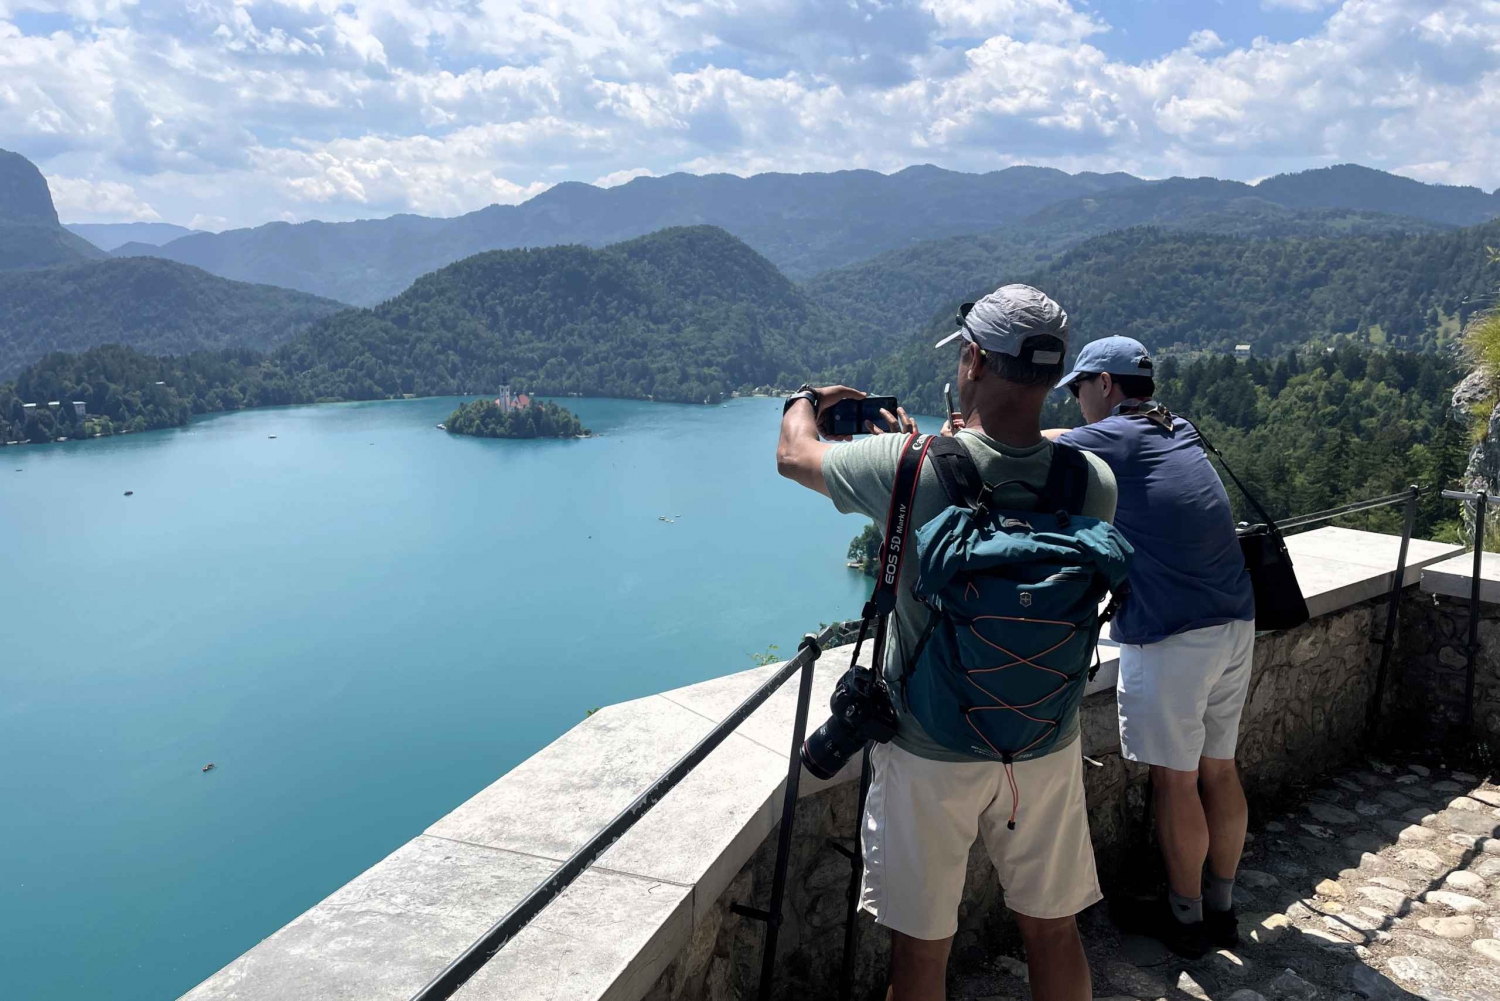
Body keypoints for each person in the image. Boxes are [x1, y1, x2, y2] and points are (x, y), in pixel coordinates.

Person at [775, 285, 1118, 1001]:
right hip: (1044, 743)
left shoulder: (911, 465)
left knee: (921, 956)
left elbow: (793, 453)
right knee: (1054, 933)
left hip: (930, 745)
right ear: (1054, 378)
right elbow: (1023, 470)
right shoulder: (1093, 483)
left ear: (972, 360)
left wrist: (805, 397)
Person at [1049, 335, 1256, 958]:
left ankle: (1184, 921)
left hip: (1174, 633)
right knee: (1219, 768)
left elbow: (1024, 450)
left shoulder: (1113, 435)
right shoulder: (1176, 425)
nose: (1076, 403)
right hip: (1234, 619)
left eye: (1079, 389)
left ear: (1105, 385)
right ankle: (1220, 907)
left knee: (1176, 780)